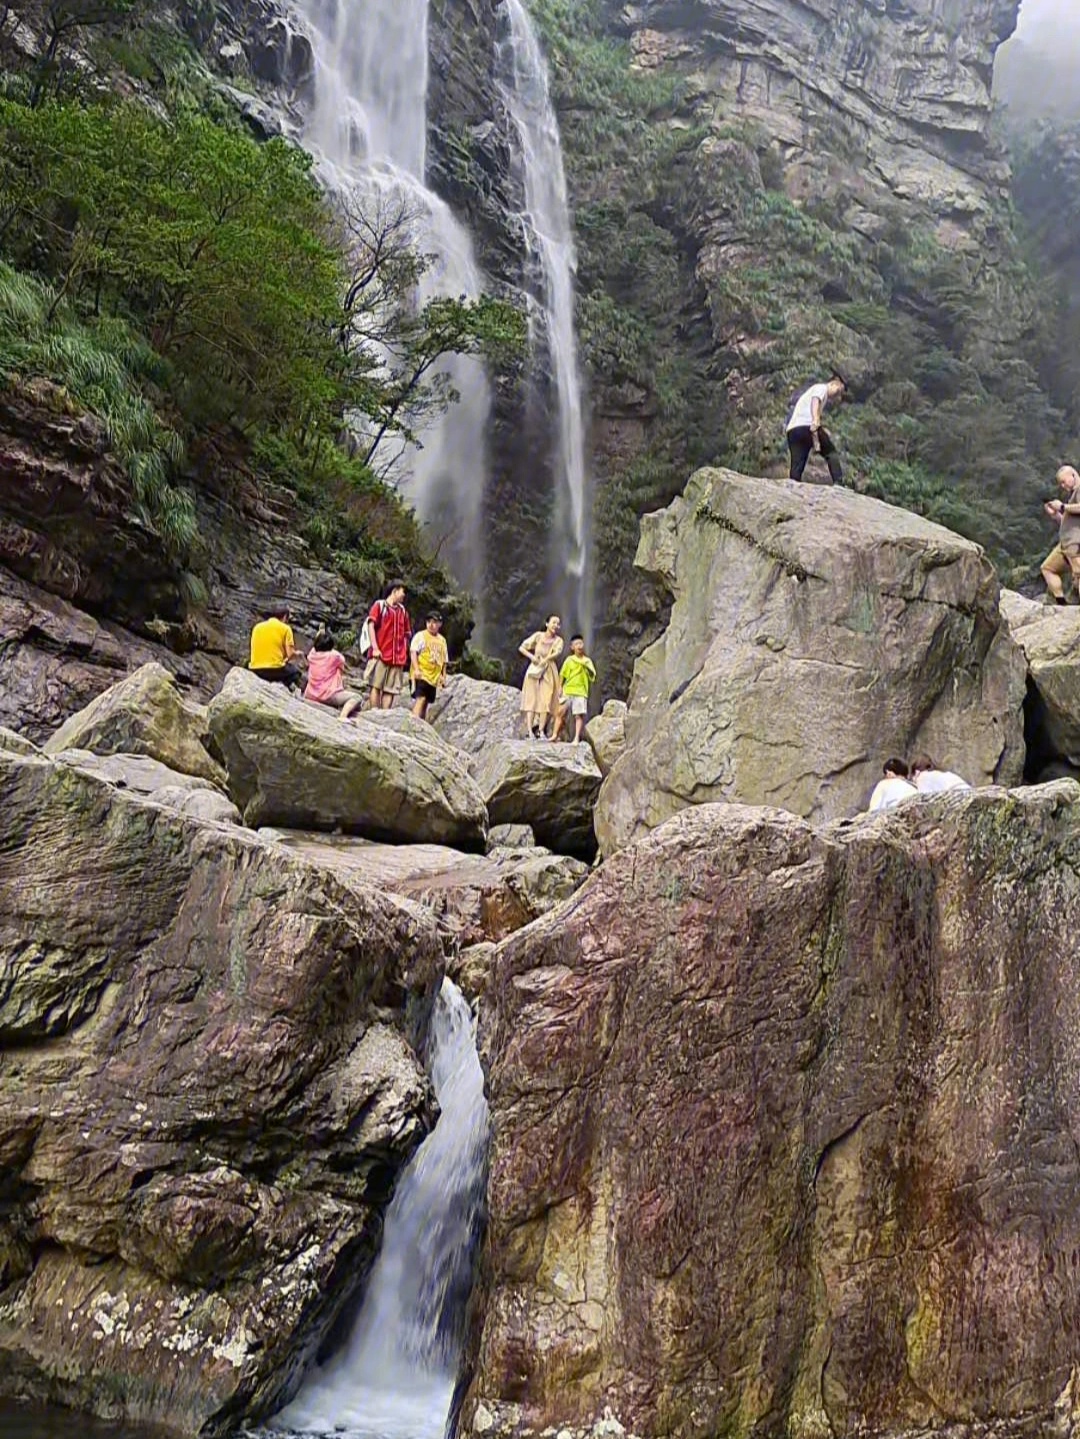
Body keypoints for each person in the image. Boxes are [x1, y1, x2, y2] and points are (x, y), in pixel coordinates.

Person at [786, 373, 847, 483]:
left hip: (793, 430)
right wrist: (815, 420)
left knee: (797, 463)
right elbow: (815, 401)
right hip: (807, 426)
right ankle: (839, 482)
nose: (837, 396)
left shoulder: (811, 391)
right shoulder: (821, 388)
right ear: (833, 384)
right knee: (831, 452)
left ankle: (793, 485)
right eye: (838, 391)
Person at [366, 580, 412, 711]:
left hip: (397, 657)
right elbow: (371, 626)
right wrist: (375, 648)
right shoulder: (380, 606)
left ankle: (385, 715)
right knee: (376, 685)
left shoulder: (403, 612)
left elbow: (406, 634)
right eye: (402, 591)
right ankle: (374, 712)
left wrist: (404, 653)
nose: (404, 595)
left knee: (390, 689)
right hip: (381, 653)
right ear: (394, 591)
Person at [518, 615, 564, 739]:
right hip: (534, 668)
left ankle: (541, 730)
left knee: (546, 700)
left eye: (558, 624)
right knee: (531, 699)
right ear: (546, 624)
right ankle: (529, 731)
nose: (556, 625)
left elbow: (557, 652)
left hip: (549, 670)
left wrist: (546, 659)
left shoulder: (558, 640)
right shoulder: (538, 636)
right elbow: (522, 647)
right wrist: (532, 657)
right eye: (553, 622)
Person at [1040, 465, 1080, 605]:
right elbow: (1069, 522)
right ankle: (1061, 602)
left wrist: (1062, 507)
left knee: (1078, 573)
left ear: (1073, 475)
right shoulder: (1072, 496)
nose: (1063, 486)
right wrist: (1055, 515)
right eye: (1061, 483)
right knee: (1048, 568)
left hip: (1076, 543)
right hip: (1066, 542)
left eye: (1064, 481)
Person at [304, 629, 365, 720]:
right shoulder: (334, 656)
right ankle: (342, 716)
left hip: (310, 694)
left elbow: (315, 645)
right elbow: (342, 663)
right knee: (357, 697)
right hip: (327, 696)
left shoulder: (312, 655)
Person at [552, 635, 597, 745]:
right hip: (568, 690)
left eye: (581, 644)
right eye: (576, 644)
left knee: (578, 715)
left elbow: (593, 675)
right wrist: (559, 688)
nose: (579, 646)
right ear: (572, 647)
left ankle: (576, 738)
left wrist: (586, 667)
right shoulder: (569, 660)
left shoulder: (587, 661)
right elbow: (562, 675)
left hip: (581, 692)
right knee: (560, 712)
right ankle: (554, 735)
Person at [249, 603, 302, 689]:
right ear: (285, 616)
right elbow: (290, 655)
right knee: (295, 673)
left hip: (255, 669)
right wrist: (298, 655)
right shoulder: (285, 628)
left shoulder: (257, 627)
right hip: (274, 669)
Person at [410, 612, 448, 722]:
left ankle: (421, 724)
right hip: (422, 674)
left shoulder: (442, 640)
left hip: (433, 677)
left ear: (440, 624)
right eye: (429, 622)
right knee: (420, 698)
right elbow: (413, 652)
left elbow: (444, 660)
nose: (431, 625)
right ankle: (413, 722)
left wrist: (443, 676)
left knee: (426, 701)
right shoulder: (421, 636)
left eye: (434, 622)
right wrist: (416, 669)